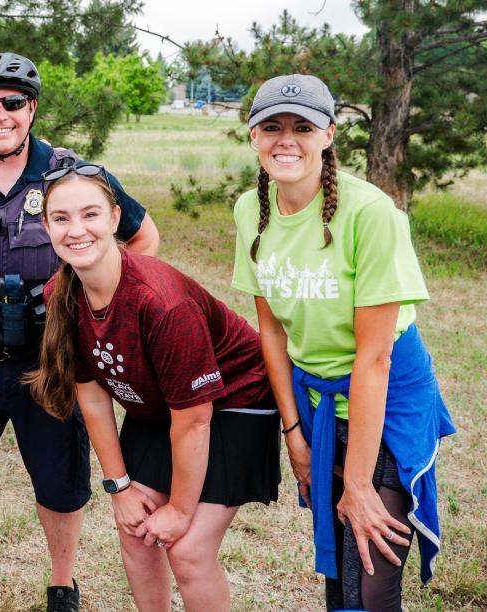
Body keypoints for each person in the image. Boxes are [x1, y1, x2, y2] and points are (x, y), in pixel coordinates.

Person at [0, 52, 159, 611]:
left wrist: (101, 312)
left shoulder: (74, 174)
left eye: (13, 103)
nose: (0, 115)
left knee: (59, 482)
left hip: (52, 358)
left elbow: (142, 238)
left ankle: (62, 582)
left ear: (31, 108)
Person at [231, 74, 456, 611]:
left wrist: (358, 483)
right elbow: (273, 330)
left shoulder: (371, 213)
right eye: (272, 127)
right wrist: (294, 434)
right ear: (254, 138)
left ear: (329, 135)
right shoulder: (249, 210)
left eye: (302, 127)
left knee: (370, 568)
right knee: (339, 566)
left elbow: (374, 359)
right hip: (316, 400)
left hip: (384, 393)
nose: (286, 139)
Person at [24, 167, 279, 611]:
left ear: (115, 217)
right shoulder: (60, 293)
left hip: (236, 401)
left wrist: (179, 511)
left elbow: (196, 420)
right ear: (46, 227)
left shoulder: (161, 303)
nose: (77, 230)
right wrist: (120, 487)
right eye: (61, 219)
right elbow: (93, 394)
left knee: (188, 550)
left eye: (90, 214)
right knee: (137, 529)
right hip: (163, 409)